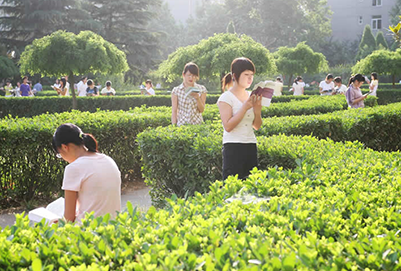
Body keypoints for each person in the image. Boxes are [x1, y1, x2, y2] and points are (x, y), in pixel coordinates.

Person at [52, 123, 121, 223]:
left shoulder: (74, 168)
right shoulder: (108, 160)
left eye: (59, 154)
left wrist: (53, 221)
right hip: (113, 228)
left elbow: (68, 219)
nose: (62, 158)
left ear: (65, 147)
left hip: (87, 232)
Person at [217, 57, 262, 180]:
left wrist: (257, 111)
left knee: (252, 188)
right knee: (233, 190)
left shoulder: (251, 95)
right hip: (233, 147)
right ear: (235, 76)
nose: (250, 78)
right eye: (246, 74)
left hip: (251, 145)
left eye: (251, 75)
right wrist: (245, 107)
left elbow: (256, 126)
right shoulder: (226, 98)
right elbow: (228, 126)